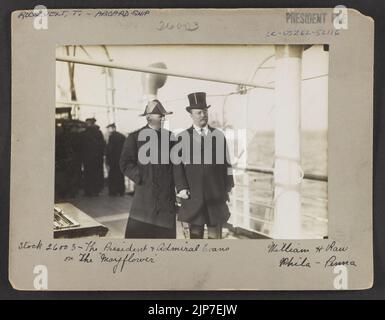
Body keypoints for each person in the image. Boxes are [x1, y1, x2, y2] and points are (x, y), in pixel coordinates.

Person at [119, 100, 189, 239]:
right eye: (160, 116)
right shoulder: (135, 137)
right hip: (144, 197)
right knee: (139, 239)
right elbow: (125, 163)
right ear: (149, 117)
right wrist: (141, 177)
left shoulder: (171, 138)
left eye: (164, 116)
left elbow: (177, 165)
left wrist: (182, 187)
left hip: (165, 197)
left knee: (164, 241)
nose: (163, 118)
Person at [176, 92, 234, 239]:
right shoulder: (182, 137)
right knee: (196, 238)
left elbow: (227, 164)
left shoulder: (218, 136)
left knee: (215, 238)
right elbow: (177, 167)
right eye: (199, 112)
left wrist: (228, 186)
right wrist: (182, 188)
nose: (203, 115)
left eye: (205, 111)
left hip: (215, 195)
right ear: (191, 115)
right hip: (193, 197)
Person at [80, 117, 106, 197]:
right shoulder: (99, 132)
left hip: (87, 158)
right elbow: (103, 145)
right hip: (97, 158)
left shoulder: (84, 133)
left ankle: (88, 191)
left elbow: (81, 147)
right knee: (96, 174)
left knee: (88, 174)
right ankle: (96, 191)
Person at [105, 123, 126, 196]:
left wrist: (107, 159)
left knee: (112, 176)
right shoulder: (122, 136)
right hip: (120, 159)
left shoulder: (112, 137)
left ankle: (113, 191)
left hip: (113, 160)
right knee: (120, 175)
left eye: (109, 128)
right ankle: (121, 191)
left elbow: (109, 149)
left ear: (112, 128)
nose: (108, 130)